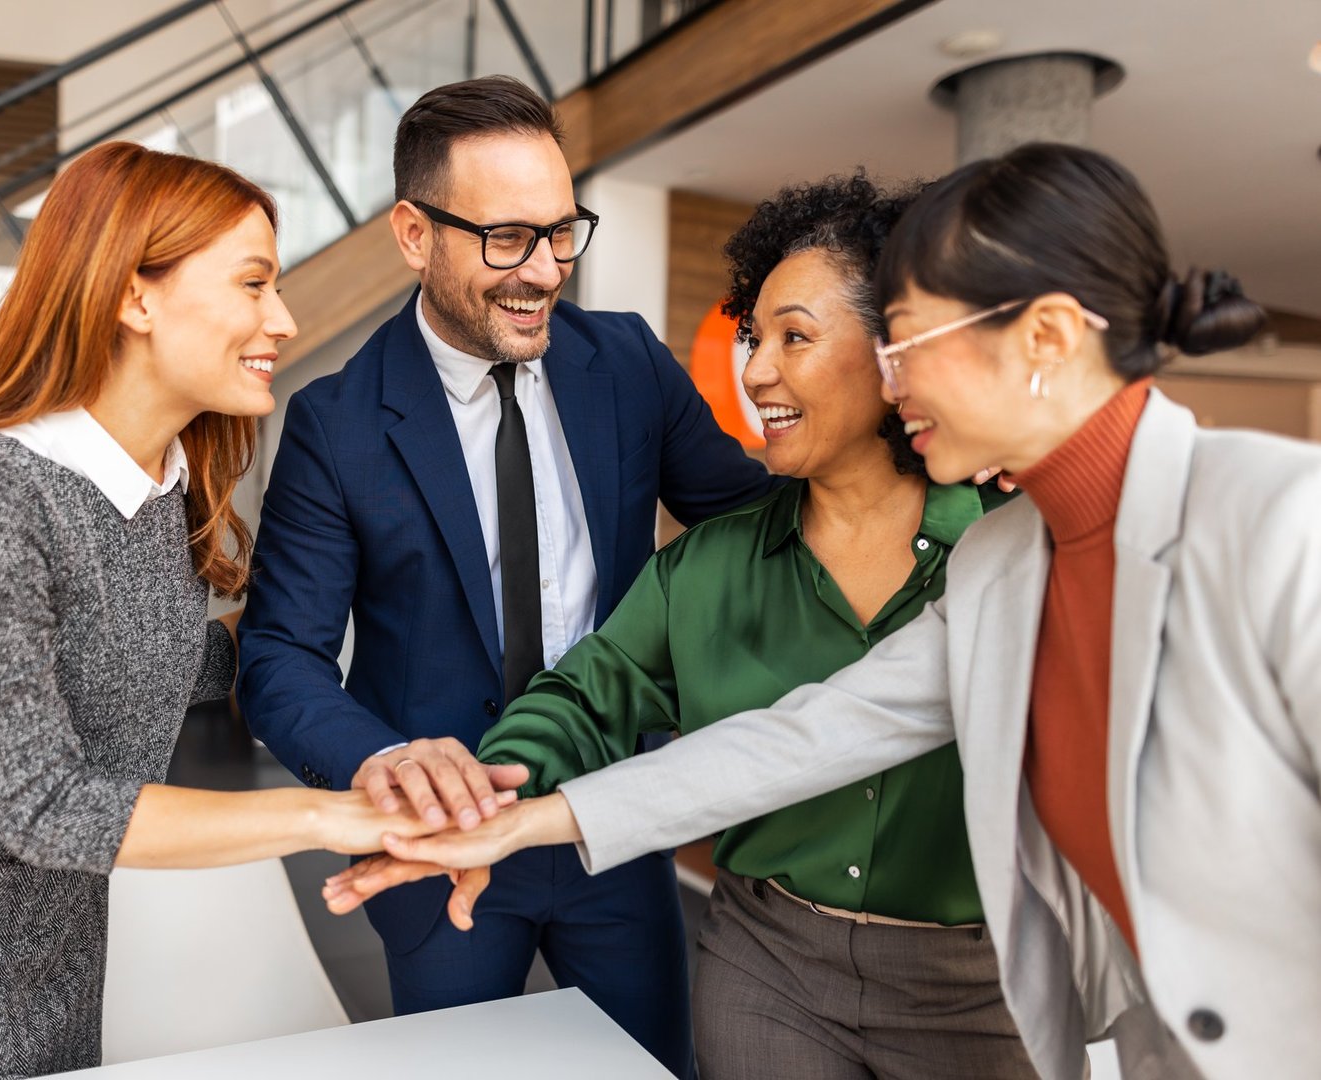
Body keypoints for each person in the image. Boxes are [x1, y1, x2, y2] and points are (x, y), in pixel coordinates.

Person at [332, 143, 1317, 1080]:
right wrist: (512, 824)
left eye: (909, 341)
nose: (894, 377)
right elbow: (805, 738)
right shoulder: (1009, 566)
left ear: (1050, 337)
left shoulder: (1285, 525)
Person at [0, 142, 489, 1080]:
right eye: (253, 285)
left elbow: (152, 662)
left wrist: (367, 604)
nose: (282, 320)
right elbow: (44, 805)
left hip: (58, 936)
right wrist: (331, 816)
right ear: (135, 297)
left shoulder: (157, 489)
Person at [234, 75, 773, 1077]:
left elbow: (751, 526)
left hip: (611, 824)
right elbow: (278, 657)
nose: (544, 271)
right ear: (413, 233)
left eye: (562, 232)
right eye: (506, 238)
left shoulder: (629, 364)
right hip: (436, 846)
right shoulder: (336, 421)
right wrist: (380, 762)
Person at [454, 174, 1031, 1078]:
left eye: (794, 338)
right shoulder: (706, 566)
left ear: (898, 352)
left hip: (983, 984)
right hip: (770, 971)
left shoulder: (1012, 549)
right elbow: (584, 694)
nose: (755, 370)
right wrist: (494, 785)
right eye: (755, 339)